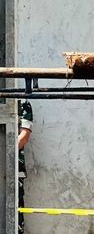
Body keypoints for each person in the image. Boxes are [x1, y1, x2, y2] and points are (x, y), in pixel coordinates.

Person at [18, 100, 33, 234]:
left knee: (14, 215)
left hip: (11, 170)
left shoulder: (22, 102)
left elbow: (24, 136)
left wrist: (7, 150)